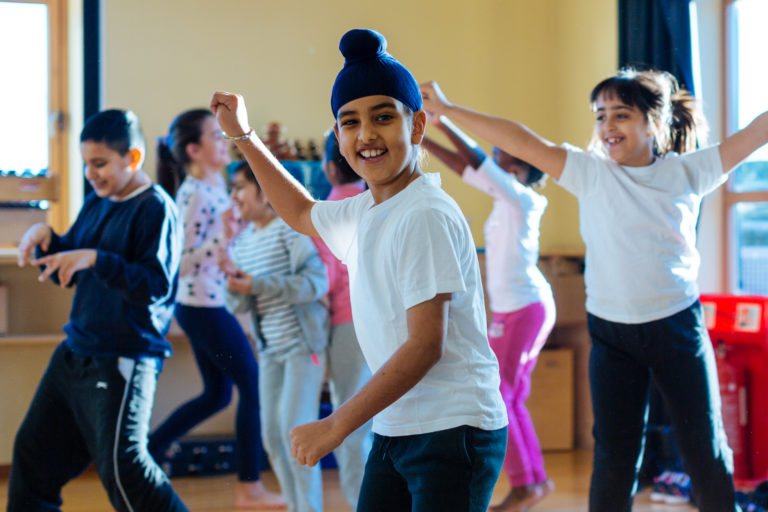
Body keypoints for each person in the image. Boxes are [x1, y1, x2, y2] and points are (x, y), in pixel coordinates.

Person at [420, 68, 768, 511]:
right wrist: (447, 111)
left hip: (676, 328)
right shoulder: (590, 173)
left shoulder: (687, 172)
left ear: (653, 123)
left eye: (620, 115)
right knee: (614, 456)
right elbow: (522, 141)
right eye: (601, 116)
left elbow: (757, 132)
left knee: (703, 448)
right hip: (611, 335)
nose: (607, 126)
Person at [210, 27, 508, 512]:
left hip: (454, 431)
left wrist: (336, 424)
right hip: (397, 427)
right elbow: (302, 212)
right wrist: (244, 137)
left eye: (383, 118)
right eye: (350, 123)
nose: (366, 135)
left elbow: (425, 345)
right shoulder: (364, 210)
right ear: (338, 137)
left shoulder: (424, 213)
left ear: (416, 128)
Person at [9, 109, 188, 512]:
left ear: (133, 159)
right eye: (86, 164)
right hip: (75, 354)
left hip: (123, 358)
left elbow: (155, 287)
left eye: (100, 163)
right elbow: (70, 270)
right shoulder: (97, 201)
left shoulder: (156, 209)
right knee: (32, 457)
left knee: (124, 469)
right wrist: (49, 241)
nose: (91, 173)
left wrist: (96, 259)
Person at [152, 108, 285, 509]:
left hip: (211, 303)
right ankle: (249, 488)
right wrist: (223, 242)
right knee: (252, 386)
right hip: (201, 305)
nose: (223, 141)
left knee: (216, 395)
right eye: (215, 135)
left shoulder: (216, 188)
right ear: (194, 149)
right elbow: (177, 263)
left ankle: (146, 454)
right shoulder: (192, 194)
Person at [422, 115, 556, 511]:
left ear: (516, 167)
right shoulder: (507, 198)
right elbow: (468, 168)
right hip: (518, 308)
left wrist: (442, 118)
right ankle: (534, 481)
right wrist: (424, 141)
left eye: (501, 154)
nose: (493, 157)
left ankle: (523, 485)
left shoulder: (523, 197)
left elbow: (476, 161)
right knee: (511, 399)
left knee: (499, 395)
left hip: (524, 308)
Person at [220, 161, 328, 512]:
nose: (233, 196)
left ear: (265, 191)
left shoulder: (289, 231)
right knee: (272, 438)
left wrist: (257, 284)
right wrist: (231, 275)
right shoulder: (241, 243)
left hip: (302, 349)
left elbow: (316, 284)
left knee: (295, 435)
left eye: (239, 187)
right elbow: (235, 301)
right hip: (269, 352)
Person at [313, 129, 372, 509]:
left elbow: (326, 279)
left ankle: (363, 503)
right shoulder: (376, 203)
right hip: (395, 324)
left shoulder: (330, 210)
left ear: (330, 169)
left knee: (351, 425)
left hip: (348, 324)